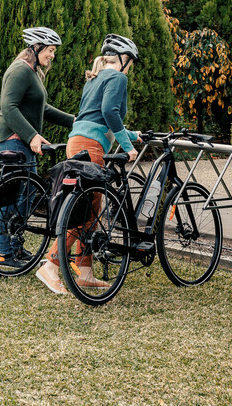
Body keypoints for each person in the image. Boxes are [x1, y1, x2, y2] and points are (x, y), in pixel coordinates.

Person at [36, 33, 141, 295]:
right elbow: (109, 112)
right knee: (87, 211)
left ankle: (85, 272)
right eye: (132, 62)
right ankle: (51, 264)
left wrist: (131, 135)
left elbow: (96, 118)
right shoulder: (118, 77)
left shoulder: (95, 78)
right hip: (91, 147)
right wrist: (128, 148)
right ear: (124, 59)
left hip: (78, 141)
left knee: (90, 208)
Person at [0, 26, 75, 267]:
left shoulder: (34, 73)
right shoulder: (20, 70)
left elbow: (42, 109)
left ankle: (14, 247)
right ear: (35, 48)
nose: (52, 55)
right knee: (17, 195)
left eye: (54, 51)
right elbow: (8, 107)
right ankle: (5, 253)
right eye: (50, 50)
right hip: (11, 138)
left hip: (20, 139)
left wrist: (73, 121)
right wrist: (32, 136)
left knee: (24, 194)